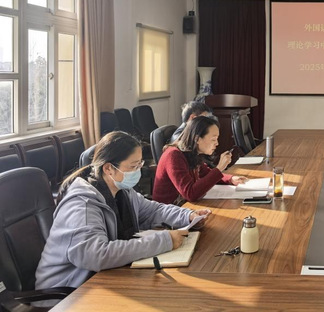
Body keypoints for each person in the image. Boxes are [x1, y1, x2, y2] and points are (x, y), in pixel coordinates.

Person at [36, 132, 211, 289]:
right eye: (133, 166)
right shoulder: (82, 205)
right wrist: (164, 240)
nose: (138, 171)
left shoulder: (122, 190)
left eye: (140, 164)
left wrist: (187, 216)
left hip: (104, 277)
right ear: (108, 168)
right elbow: (96, 255)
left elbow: (152, 210)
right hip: (69, 290)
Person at [153, 115, 248, 205]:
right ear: (197, 139)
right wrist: (219, 169)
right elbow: (190, 194)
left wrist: (230, 179)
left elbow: (206, 173)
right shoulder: (173, 155)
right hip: (169, 211)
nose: (217, 143)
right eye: (213, 139)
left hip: (185, 207)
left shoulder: (192, 152)